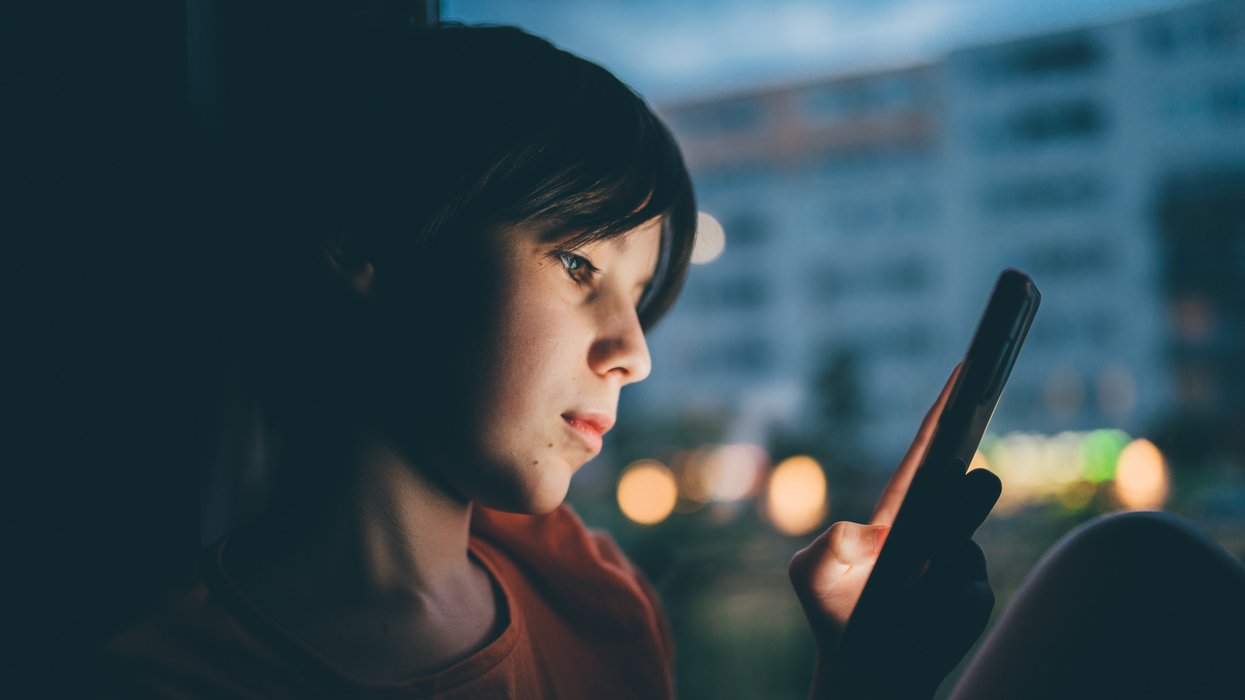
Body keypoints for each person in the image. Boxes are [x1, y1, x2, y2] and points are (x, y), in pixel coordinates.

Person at [96, 23, 1245, 699]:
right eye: (578, 265)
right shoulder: (165, 670)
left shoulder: (590, 596)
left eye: (643, 296)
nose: (633, 353)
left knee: (1137, 568)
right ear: (366, 243)